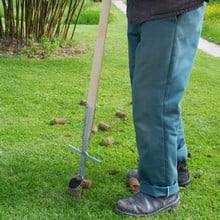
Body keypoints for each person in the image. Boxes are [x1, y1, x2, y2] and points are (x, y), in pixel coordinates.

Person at [115, 0, 208, 217]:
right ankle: (174, 165)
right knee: (153, 95)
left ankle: (161, 189)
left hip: (169, 8)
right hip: (144, 10)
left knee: (155, 101)